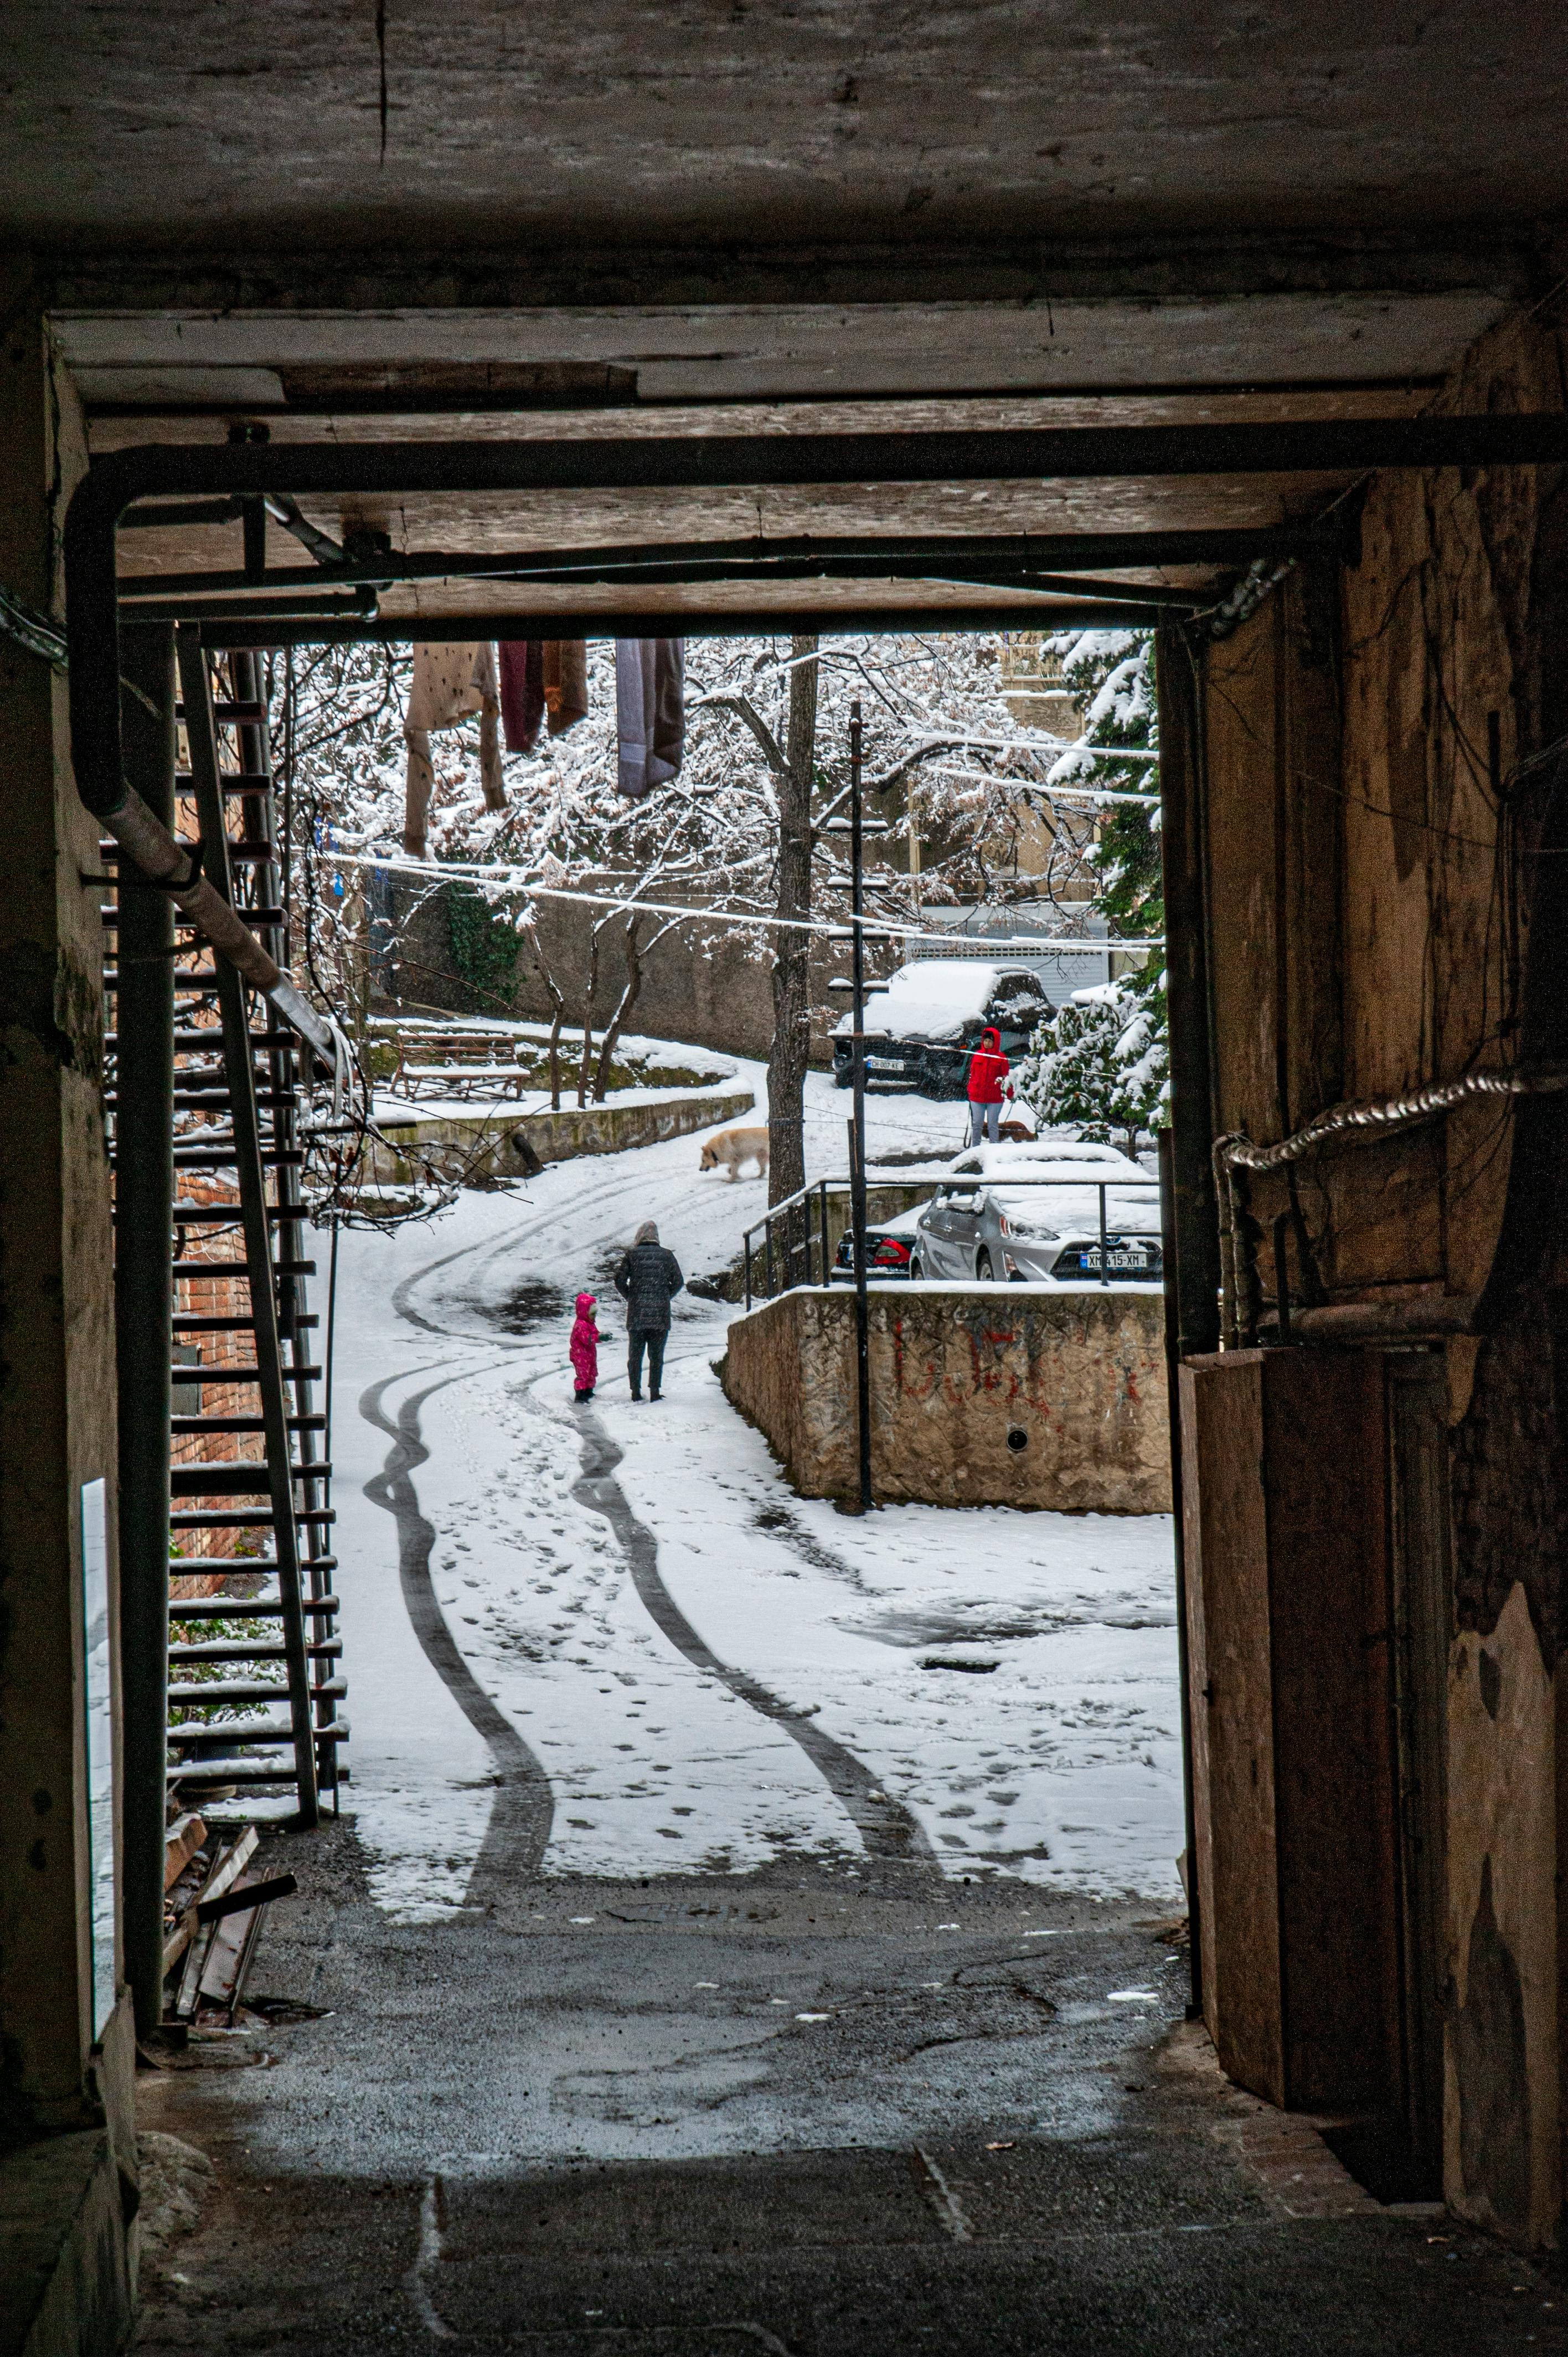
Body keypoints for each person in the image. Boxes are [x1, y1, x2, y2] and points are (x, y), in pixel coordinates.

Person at [612, 1220, 684, 1401]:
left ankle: (635, 1392)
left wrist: (632, 1297)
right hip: (660, 1316)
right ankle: (654, 1391)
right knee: (656, 1356)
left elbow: (619, 1281)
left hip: (637, 1315)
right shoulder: (667, 1256)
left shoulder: (632, 1255)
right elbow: (679, 1282)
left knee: (635, 1356)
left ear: (639, 1236)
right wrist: (664, 1297)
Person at [966, 1025, 1014, 1146]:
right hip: (977, 1097)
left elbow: (1007, 1077)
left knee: (993, 1124)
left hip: (995, 1098)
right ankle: (975, 1149)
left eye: (990, 1041)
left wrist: (1011, 1094)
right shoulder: (977, 1055)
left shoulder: (1001, 1058)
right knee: (977, 1124)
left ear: (995, 1042)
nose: (987, 1043)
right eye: (985, 1041)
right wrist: (971, 1089)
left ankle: (994, 1149)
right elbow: (972, 1074)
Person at [569, 1291, 599, 1403]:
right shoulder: (580, 1325)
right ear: (584, 1312)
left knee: (591, 1372)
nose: (594, 1317)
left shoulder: (590, 1323)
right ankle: (580, 1395)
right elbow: (587, 1338)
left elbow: (595, 1334)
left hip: (590, 1355)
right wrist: (598, 1337)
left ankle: (588, 1391)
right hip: (581, 1355)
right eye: (592, 1314)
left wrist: (601, 1336)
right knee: (583, 1374)